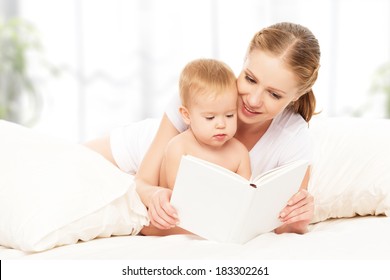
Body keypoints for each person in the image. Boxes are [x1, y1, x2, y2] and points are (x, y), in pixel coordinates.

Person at [85, 21, 319, 236]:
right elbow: (142, 183)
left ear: (296, 95)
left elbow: (283, 224)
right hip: (134, 148)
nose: (254, 100)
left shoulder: (293, 138)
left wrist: (299, 219)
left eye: (274, 94)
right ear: (244, 61)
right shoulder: (201, 94)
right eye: (250, 79)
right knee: (61, 166)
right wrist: (155, 194)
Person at [160, 58, 251, 191]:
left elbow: (245, 195)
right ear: (186, 115)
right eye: (210, 117)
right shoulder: (179, 148)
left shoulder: (240, 153)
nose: (221, 124)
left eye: (230, 115)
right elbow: (175, 195)